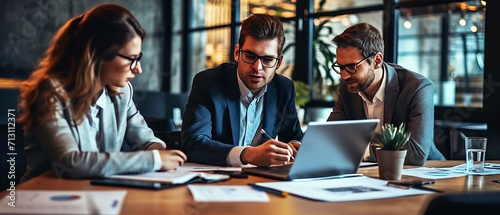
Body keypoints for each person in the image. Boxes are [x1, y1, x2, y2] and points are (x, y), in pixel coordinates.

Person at [18, 3, 186, 182]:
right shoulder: (49, 93)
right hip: (46, 198)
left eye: (139, 58)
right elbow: (70, 164)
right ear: (98, 54)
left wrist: (160, 152)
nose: (139, 69)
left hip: (97, 195)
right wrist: (154, 160)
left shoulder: (123, 92)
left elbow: (146, 141)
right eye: (132, 59)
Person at [181, 14, 303, 167]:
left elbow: (294, 136)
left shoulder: (284, 88)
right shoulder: (208, 83)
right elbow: (193, 143)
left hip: (263, 178)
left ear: (278, 62)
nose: (257, 68)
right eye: (250, 56)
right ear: (237, 53)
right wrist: (247, 154)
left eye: (267, 60)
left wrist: (295, 147)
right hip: (217, 178)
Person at [327, 22, 445, 166]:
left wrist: (364, 151)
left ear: (377, 61)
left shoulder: (417, 88)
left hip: (425, 174)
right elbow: (330, 137)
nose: (344, 76)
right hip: (371, 173)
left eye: (352, 67)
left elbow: (415, 154)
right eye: (340, 67)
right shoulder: (349, 86)